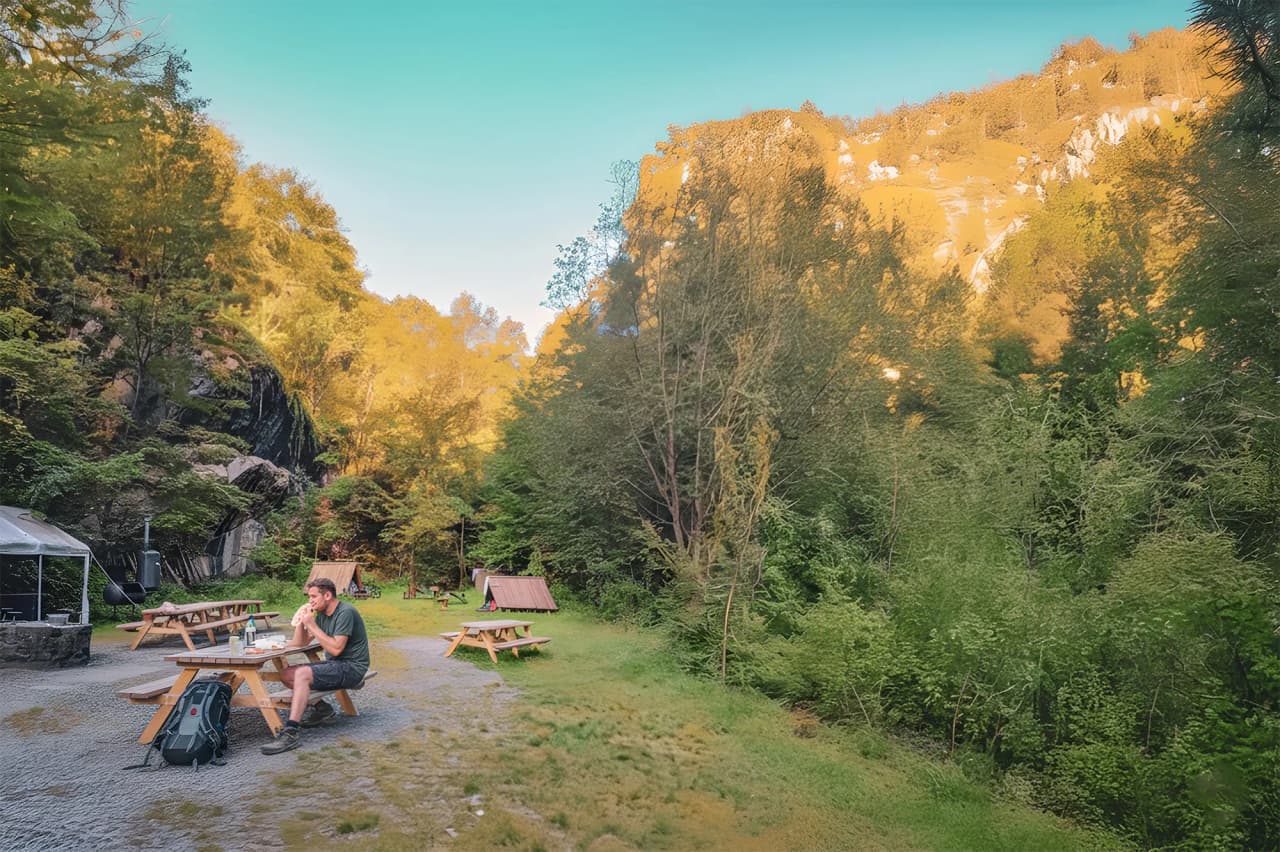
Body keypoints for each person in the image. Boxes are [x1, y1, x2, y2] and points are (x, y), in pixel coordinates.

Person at [261, 577, 371, 755]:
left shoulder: (346, 612)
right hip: (334, 666)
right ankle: (323, 709)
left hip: (352, 667)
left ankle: (291, 733)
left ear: (327, 595)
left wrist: (312, 625)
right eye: (309, 597)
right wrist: (301, 622)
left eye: (313, 597)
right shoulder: (321, 615)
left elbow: (336, 649)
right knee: (287, 674)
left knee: (303, 674)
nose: (310, 601)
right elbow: (300, 643)